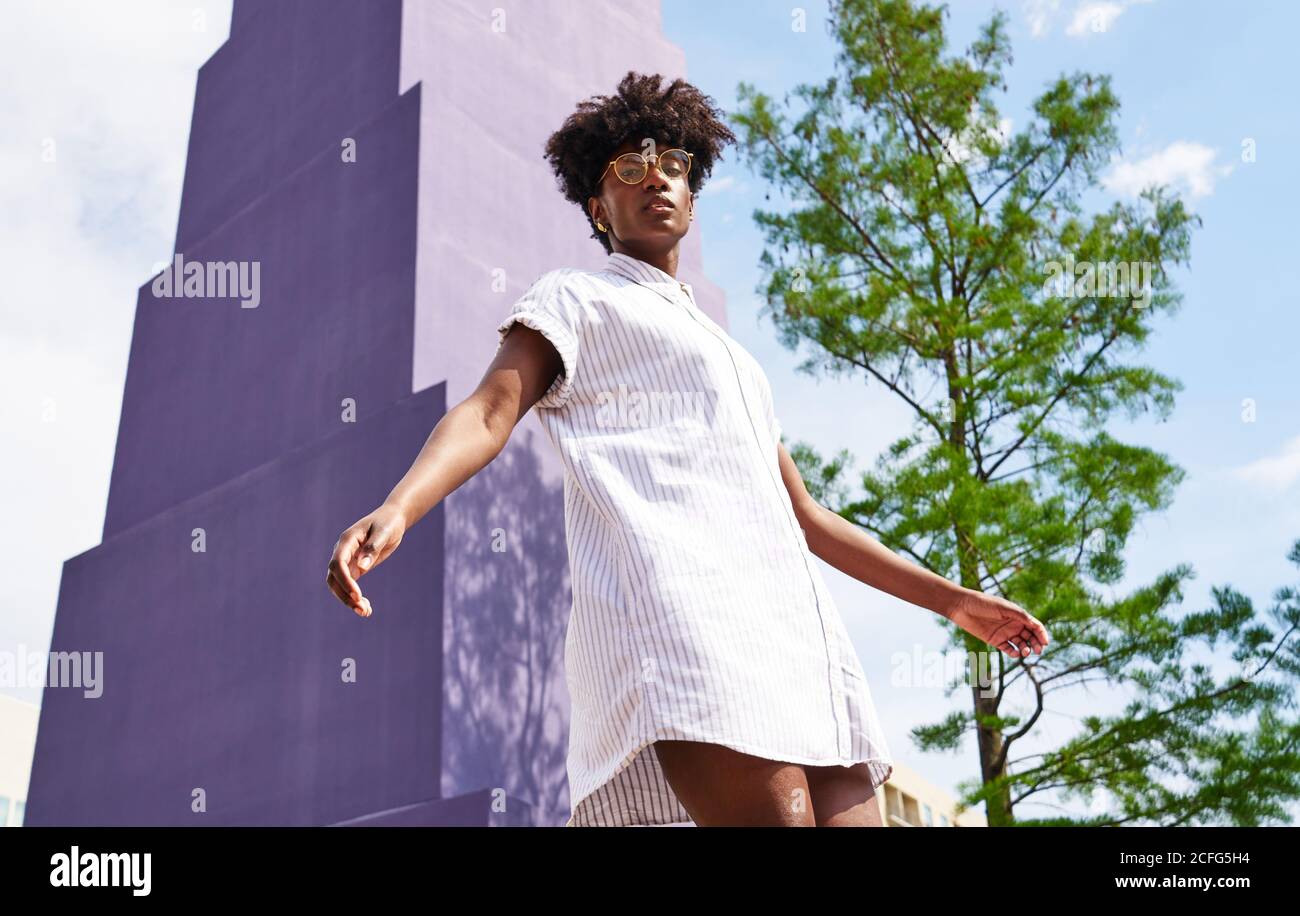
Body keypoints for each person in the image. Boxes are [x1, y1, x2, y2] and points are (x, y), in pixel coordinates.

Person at [326, 71, 1049, 827]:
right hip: (690, 621)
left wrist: (954, 602)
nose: (657, 180)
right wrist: (399, 505)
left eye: (673, 164)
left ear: (694, 197)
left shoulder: (736, 361)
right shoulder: (576, 299)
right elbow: (487, 413)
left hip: (799, 641)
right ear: (596, 208)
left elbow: (803, 516)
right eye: (630, 170)